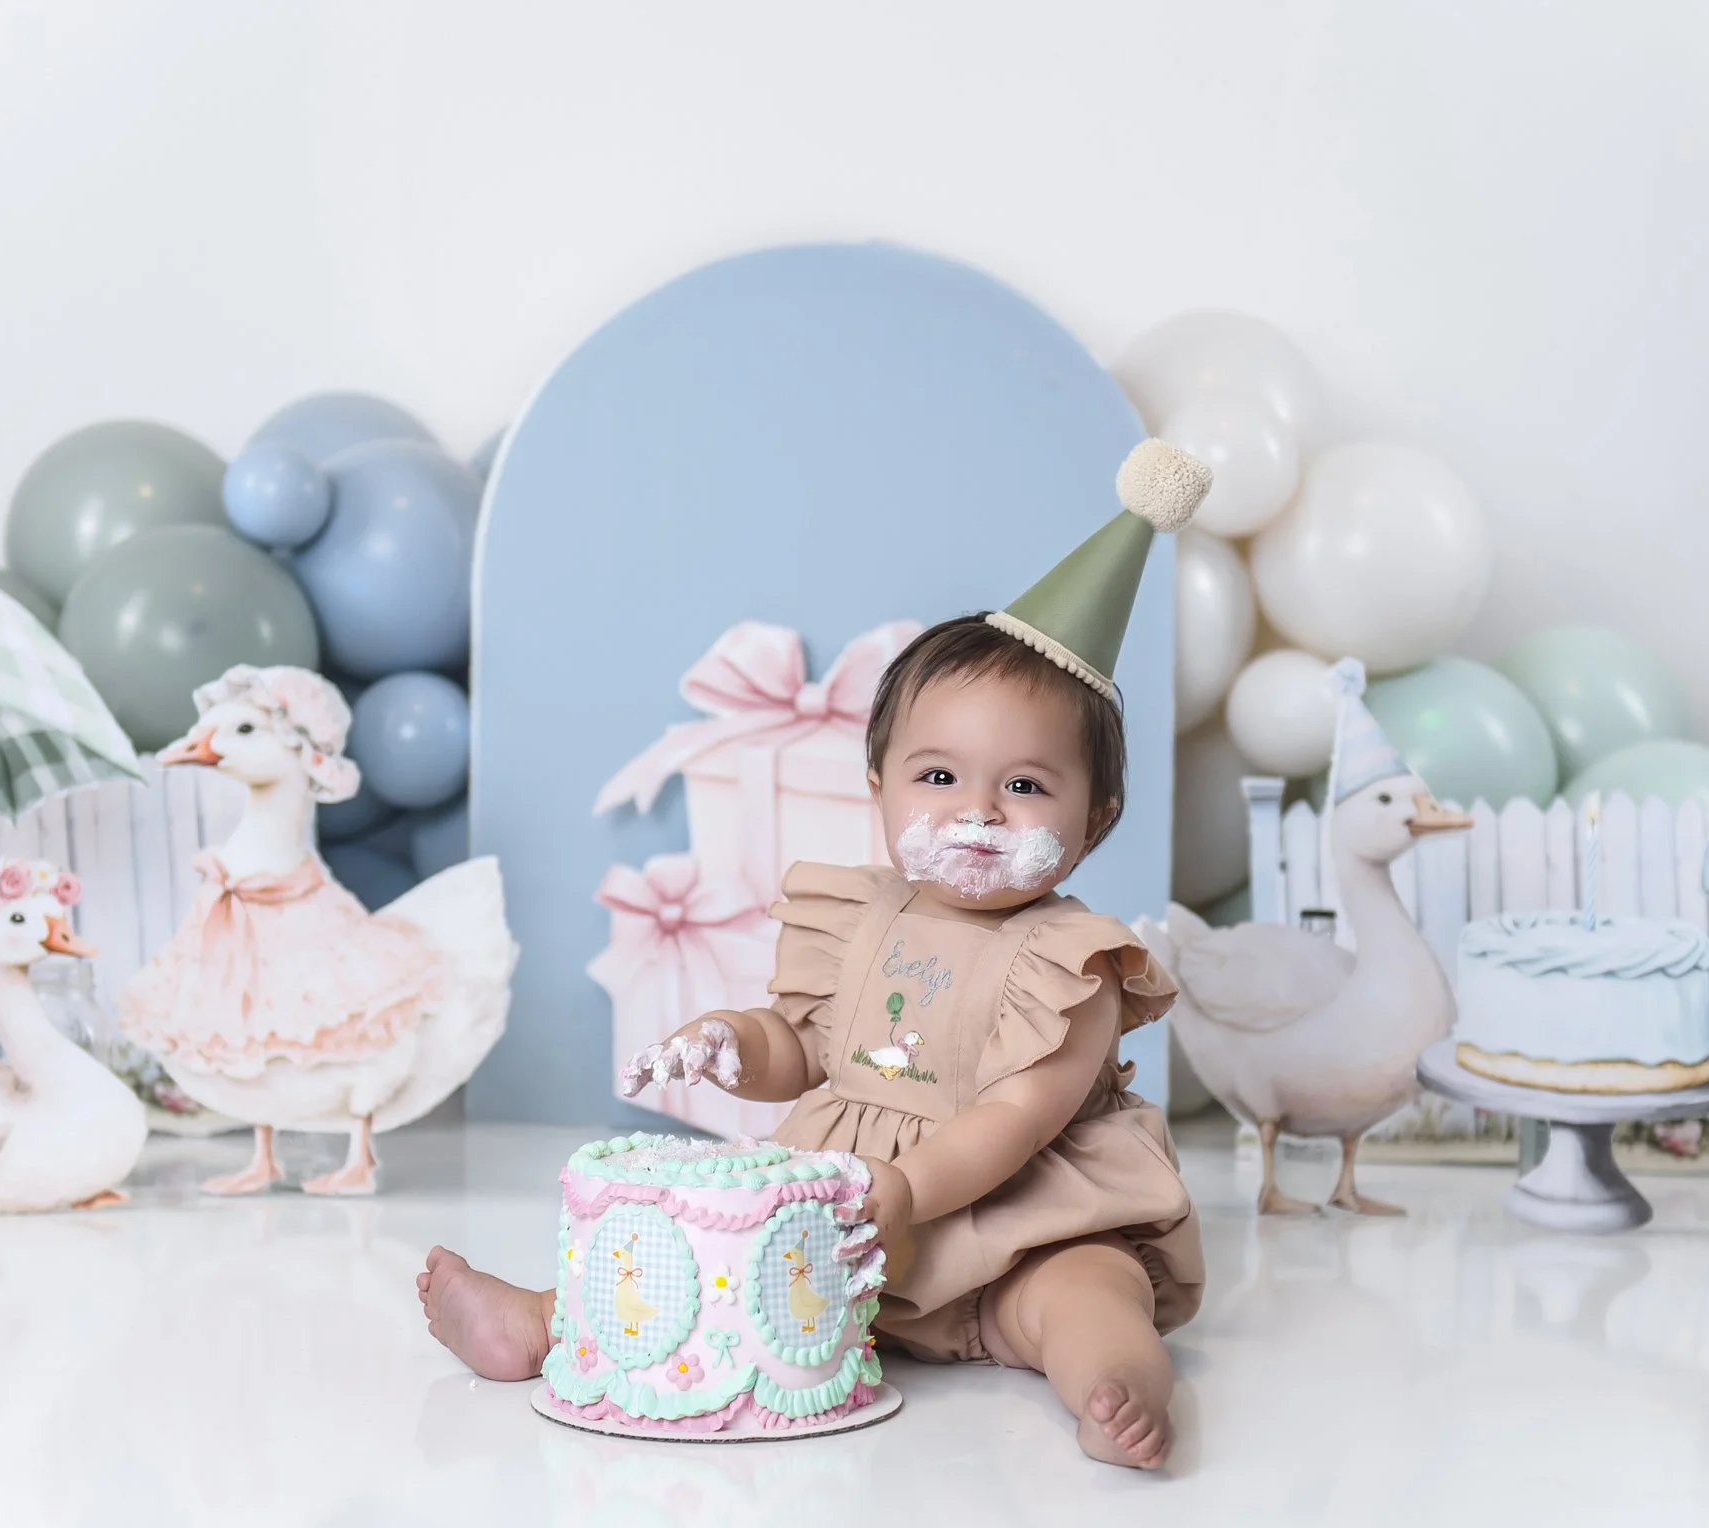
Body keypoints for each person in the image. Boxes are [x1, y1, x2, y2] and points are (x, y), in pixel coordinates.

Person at [421, 439, 1212, 1468]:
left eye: (1024, 786)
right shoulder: (855, 916)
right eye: (938, 776)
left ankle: (1115, 1386)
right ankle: (545, 1320)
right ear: (878, 784)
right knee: (696, 1261)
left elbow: (1018, 1118)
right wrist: (733, 1041)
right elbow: (802, 1048)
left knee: (1089, 1295)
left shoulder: (1074, 962)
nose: (976, 810)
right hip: (845, 1238)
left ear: (1094, 818)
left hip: (1022, 1233)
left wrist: (910, 1188)